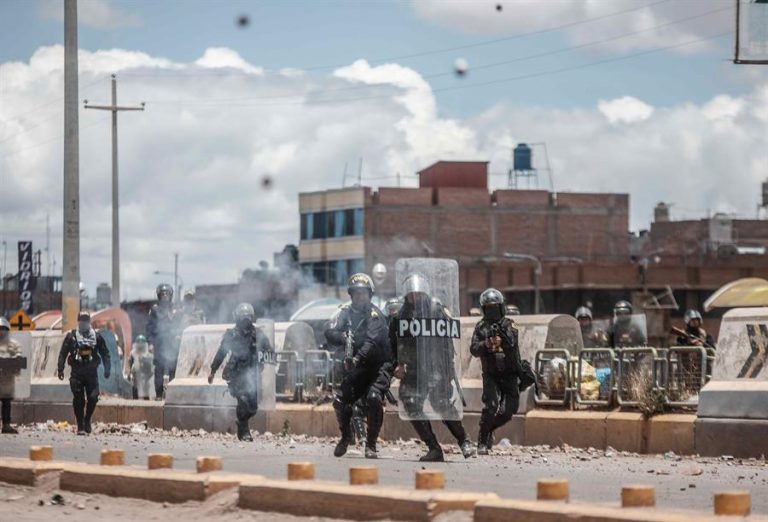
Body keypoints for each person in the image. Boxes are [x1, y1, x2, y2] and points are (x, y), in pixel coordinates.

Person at [392, 274, 475, 462]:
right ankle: (433, 448)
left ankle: (464, 441)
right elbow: (394, 344)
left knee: (441, 403)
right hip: (413, 369)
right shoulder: (401, 316)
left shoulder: (436, 310)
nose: (415, 297)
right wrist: (396, 365)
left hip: (435, 365)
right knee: (410, 403)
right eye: (411, 294)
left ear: (425, 293)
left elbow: (448, 343)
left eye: (418, 293)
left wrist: (448, 369)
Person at [325, 273, 392, 459]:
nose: (359, 296)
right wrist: (343, 337)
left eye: (363, 293)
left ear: (369, 294)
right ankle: (346, 436)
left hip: (378, 365)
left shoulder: (375, 315)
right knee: (340, 401)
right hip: (358, 367)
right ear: (351, 295)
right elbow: (329, 332)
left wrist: (355, 359)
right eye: (356, 293)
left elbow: (371, 342)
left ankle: (371, 445)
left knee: (373, 399)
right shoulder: (345, 314)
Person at [208, 303, 274, 441]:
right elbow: (221, 353)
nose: (245, 320)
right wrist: (213, 370)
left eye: (248, 317)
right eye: (243, 317)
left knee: (253, 407)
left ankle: (241, 423)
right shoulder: (232, 334)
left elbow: (269, 351)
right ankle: (244, 432)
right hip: (236, 373)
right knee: (243, 401)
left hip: (253, 374)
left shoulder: (258, 334)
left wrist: (265, 360)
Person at [470, 288, 522, 455]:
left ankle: (489, 429)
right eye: (489, 308)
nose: (492, 311)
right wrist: (486, 343)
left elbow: (512, 343)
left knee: (508, 412)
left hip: (509, 373)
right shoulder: (480, 327)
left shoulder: (509, 324)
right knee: (491, 406)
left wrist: (501, 339)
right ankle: (482, 440)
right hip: (491, 374)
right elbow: (473, 349)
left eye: (495, 307)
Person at [57, 311, 111, 435]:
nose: (84, 322)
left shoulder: (96, 337)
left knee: (93, 397)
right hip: (77, 373)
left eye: (86, 320)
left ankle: (87, 419)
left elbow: (105, 353)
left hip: (91, 373)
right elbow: (63, 353)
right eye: (82, 320)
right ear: (78, 321)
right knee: (79, 400)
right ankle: (80, 425)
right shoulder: (71, 337)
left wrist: (107, 369)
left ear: (89, 321)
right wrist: (60, 369)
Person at [147, 283, 177, 399]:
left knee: (173, 370)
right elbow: (149, 328)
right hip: (159, 344)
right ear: (159, 295)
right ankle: (159, 395)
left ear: (170, 295)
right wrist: (150, 343)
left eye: (167, 293)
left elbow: (180, 324)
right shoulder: (155, 310)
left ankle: (172, 396)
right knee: (159, 370)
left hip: (173, 345)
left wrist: (179, 335)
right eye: (162, 294)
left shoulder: (175, 309)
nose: (164, 295)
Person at [0, 317, 23, 434]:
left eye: (3, 329)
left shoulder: (13, 344)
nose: (1, 331)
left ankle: (6, 425)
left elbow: (19, 359)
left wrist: (12, 360)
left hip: (7, 380)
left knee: (6, 403)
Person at [128, 334, 154, 400]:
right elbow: (130, 362)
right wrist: (130, 372)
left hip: (145, 372)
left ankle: (146, 399)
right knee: (135, 385)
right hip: (136, 371)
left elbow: (150, 364)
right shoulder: (133, 353)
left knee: (145, 385)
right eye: (139, 344)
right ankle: (135, 399)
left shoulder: (148, 353)